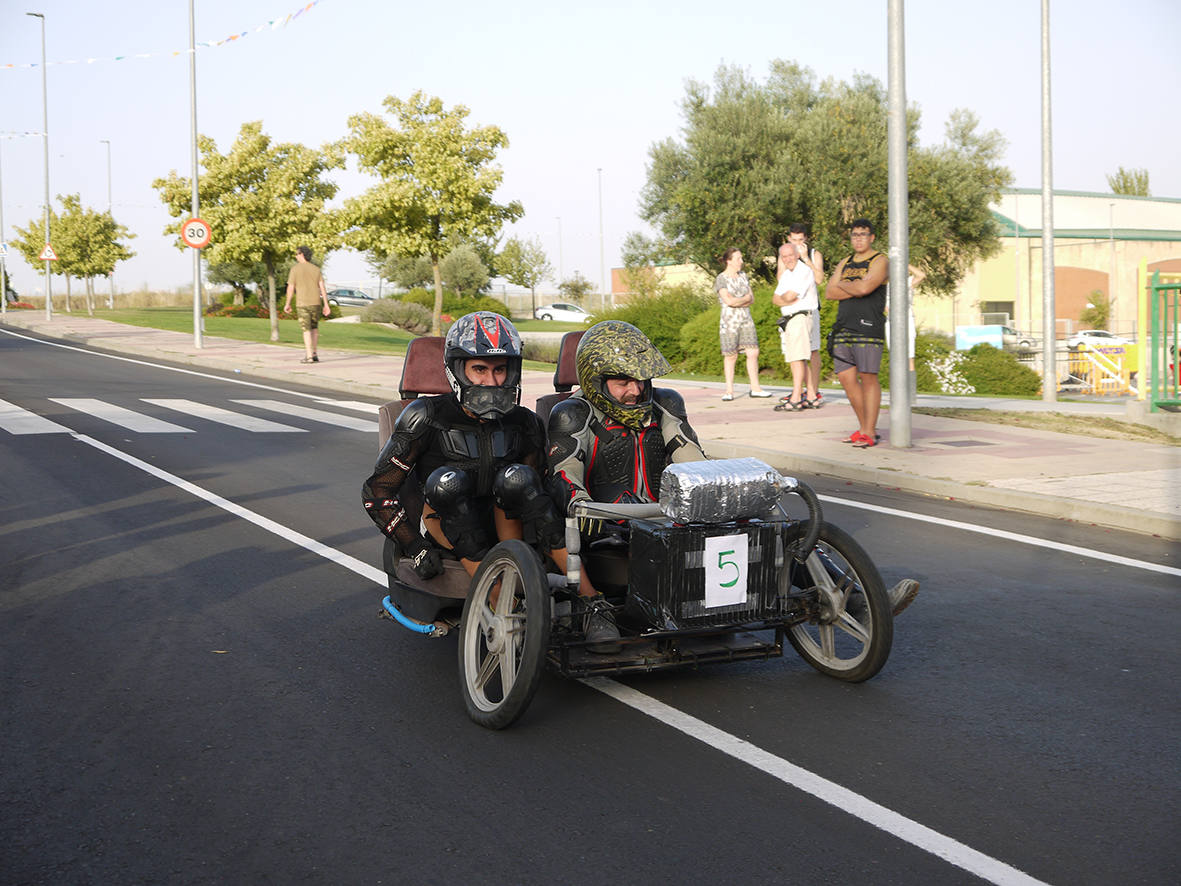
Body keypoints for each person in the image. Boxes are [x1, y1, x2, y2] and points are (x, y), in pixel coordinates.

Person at [549, 319, 920, 616]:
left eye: (641, 380)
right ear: (596, 381)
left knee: (776, 527)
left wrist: (722, 494)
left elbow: (691, 457)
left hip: (670, 517)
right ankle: (597, 608)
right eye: (623, 382)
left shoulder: (664, 404)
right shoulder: (571, 414)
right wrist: (584, 507)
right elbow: (564, 475)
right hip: (611, 528)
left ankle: (859, 602)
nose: (635, 390)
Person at [361, 311, 620, 650]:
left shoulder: (525, 422)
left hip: (507, 524)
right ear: (458, 371)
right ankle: (502, 603)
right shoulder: (424, 416)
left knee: (521, 477)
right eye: (480, 369)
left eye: (500, 370)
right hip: (446, 523)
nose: (492, 382)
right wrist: (415, 547)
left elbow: (536, 491)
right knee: (448, 482)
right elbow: (377, 491)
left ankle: (593, 603)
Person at [825, 220, 889, 449]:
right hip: (843, 327)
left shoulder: (880, 260)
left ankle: (869, 431)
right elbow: (829, 292)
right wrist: (855, 286)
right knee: (846, 378)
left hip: (868, 328)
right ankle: (863, 428)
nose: (858, 238)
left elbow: (865, 289)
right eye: (855, 235)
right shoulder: (845, 262)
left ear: (872, 237)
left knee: (868, 376)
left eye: (863, 234)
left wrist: (844, 284)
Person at [713, 248, 771, 400]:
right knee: (731, 355)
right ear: (729, 261)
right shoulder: (721, 279)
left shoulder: (744, 276)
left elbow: (751, 298)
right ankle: (729, 391)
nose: (741, 262)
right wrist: (743, 299)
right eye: (738, 259)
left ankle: (755, 388)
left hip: (746, 319)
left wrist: (740, 300)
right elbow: (728, 301)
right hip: (729, 322)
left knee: (753, 352)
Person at [772, 242, 819, 411]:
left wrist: (786, 298)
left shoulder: (804, 271)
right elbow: (776, 299)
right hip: (790, 319)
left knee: (797, 359)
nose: (788, 259)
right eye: (784, 256)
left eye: (790, 255)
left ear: (797, 255)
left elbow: (790, 296)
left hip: (800, 317)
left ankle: (796, 398)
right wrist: (786, 298)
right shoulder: (786, 275)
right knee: (798, 358)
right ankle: (811, 396)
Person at [784, 224, 825, 405]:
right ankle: (799, 391)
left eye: (800, 240)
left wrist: (806, 259)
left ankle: (813, 391)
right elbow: (780, 280)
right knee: (795, 353)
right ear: (788, 239)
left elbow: (819, 279)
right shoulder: (786, 256)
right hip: (792, 311)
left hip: (811, 309)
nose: (797, 244)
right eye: (794, 240)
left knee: (812, 351)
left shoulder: (814, 254)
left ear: (806, 239)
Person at [282, 246, 331, 364]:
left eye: (297, 254)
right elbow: (322, 288)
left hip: (302, 303)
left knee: (306, 329)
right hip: (316, 303)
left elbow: (291, 288)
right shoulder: (316, 269)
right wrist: (326, 304)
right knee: (314, 328)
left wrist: (287, 303)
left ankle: (309, 356)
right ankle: (314, 353)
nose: (295, 256)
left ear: (302, 254)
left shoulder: (295, 269)